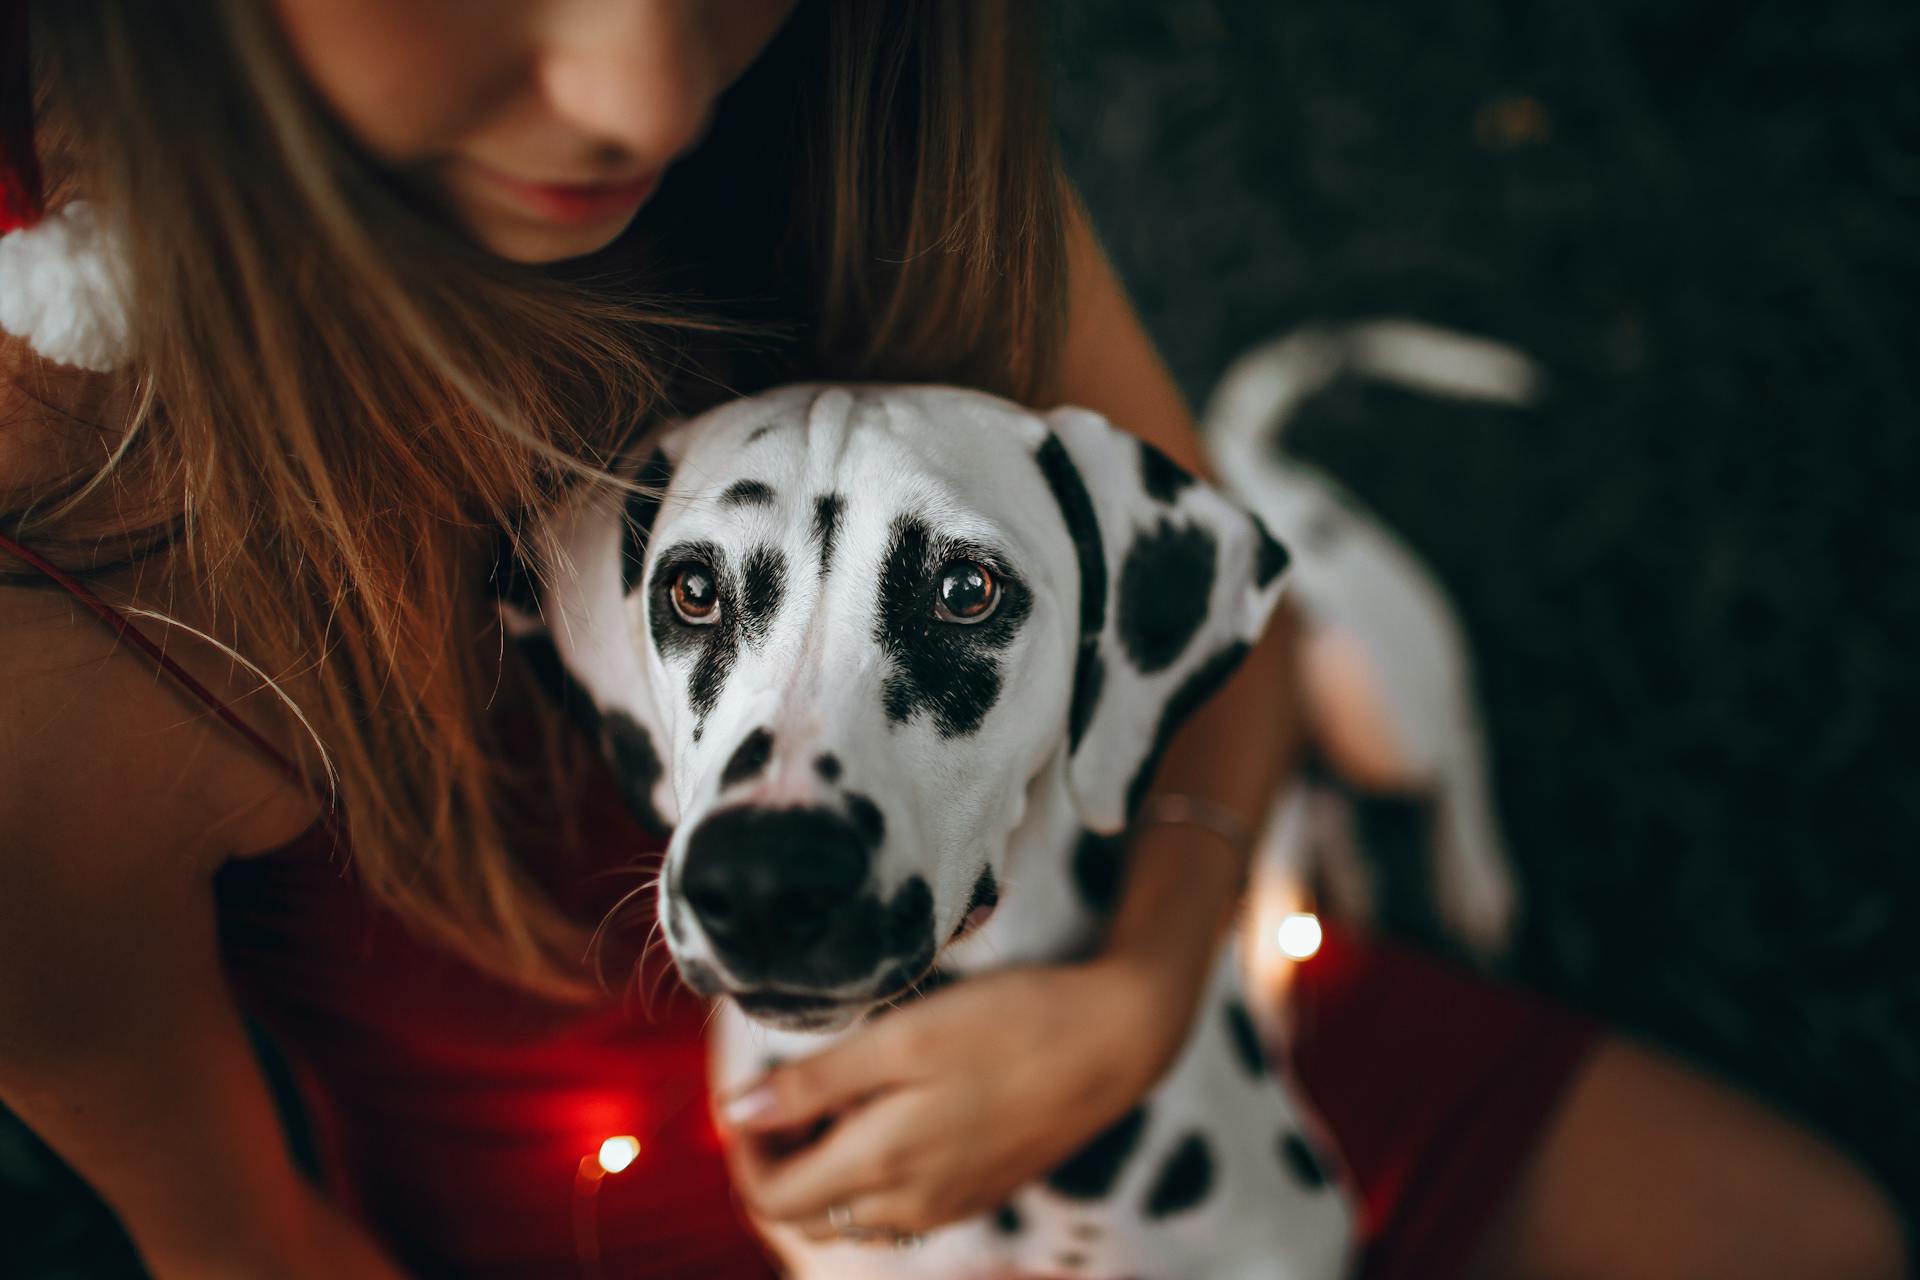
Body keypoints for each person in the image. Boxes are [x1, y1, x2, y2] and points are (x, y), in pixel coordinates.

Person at [0, 2, 1905, 1278]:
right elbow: (239, 1247)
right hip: (628, 1229)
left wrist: (1138, 998)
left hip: (1111, 990)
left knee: (1810, 1237)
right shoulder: (48, 638)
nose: (648, 95)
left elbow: (1198, 616)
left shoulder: (815, 114)